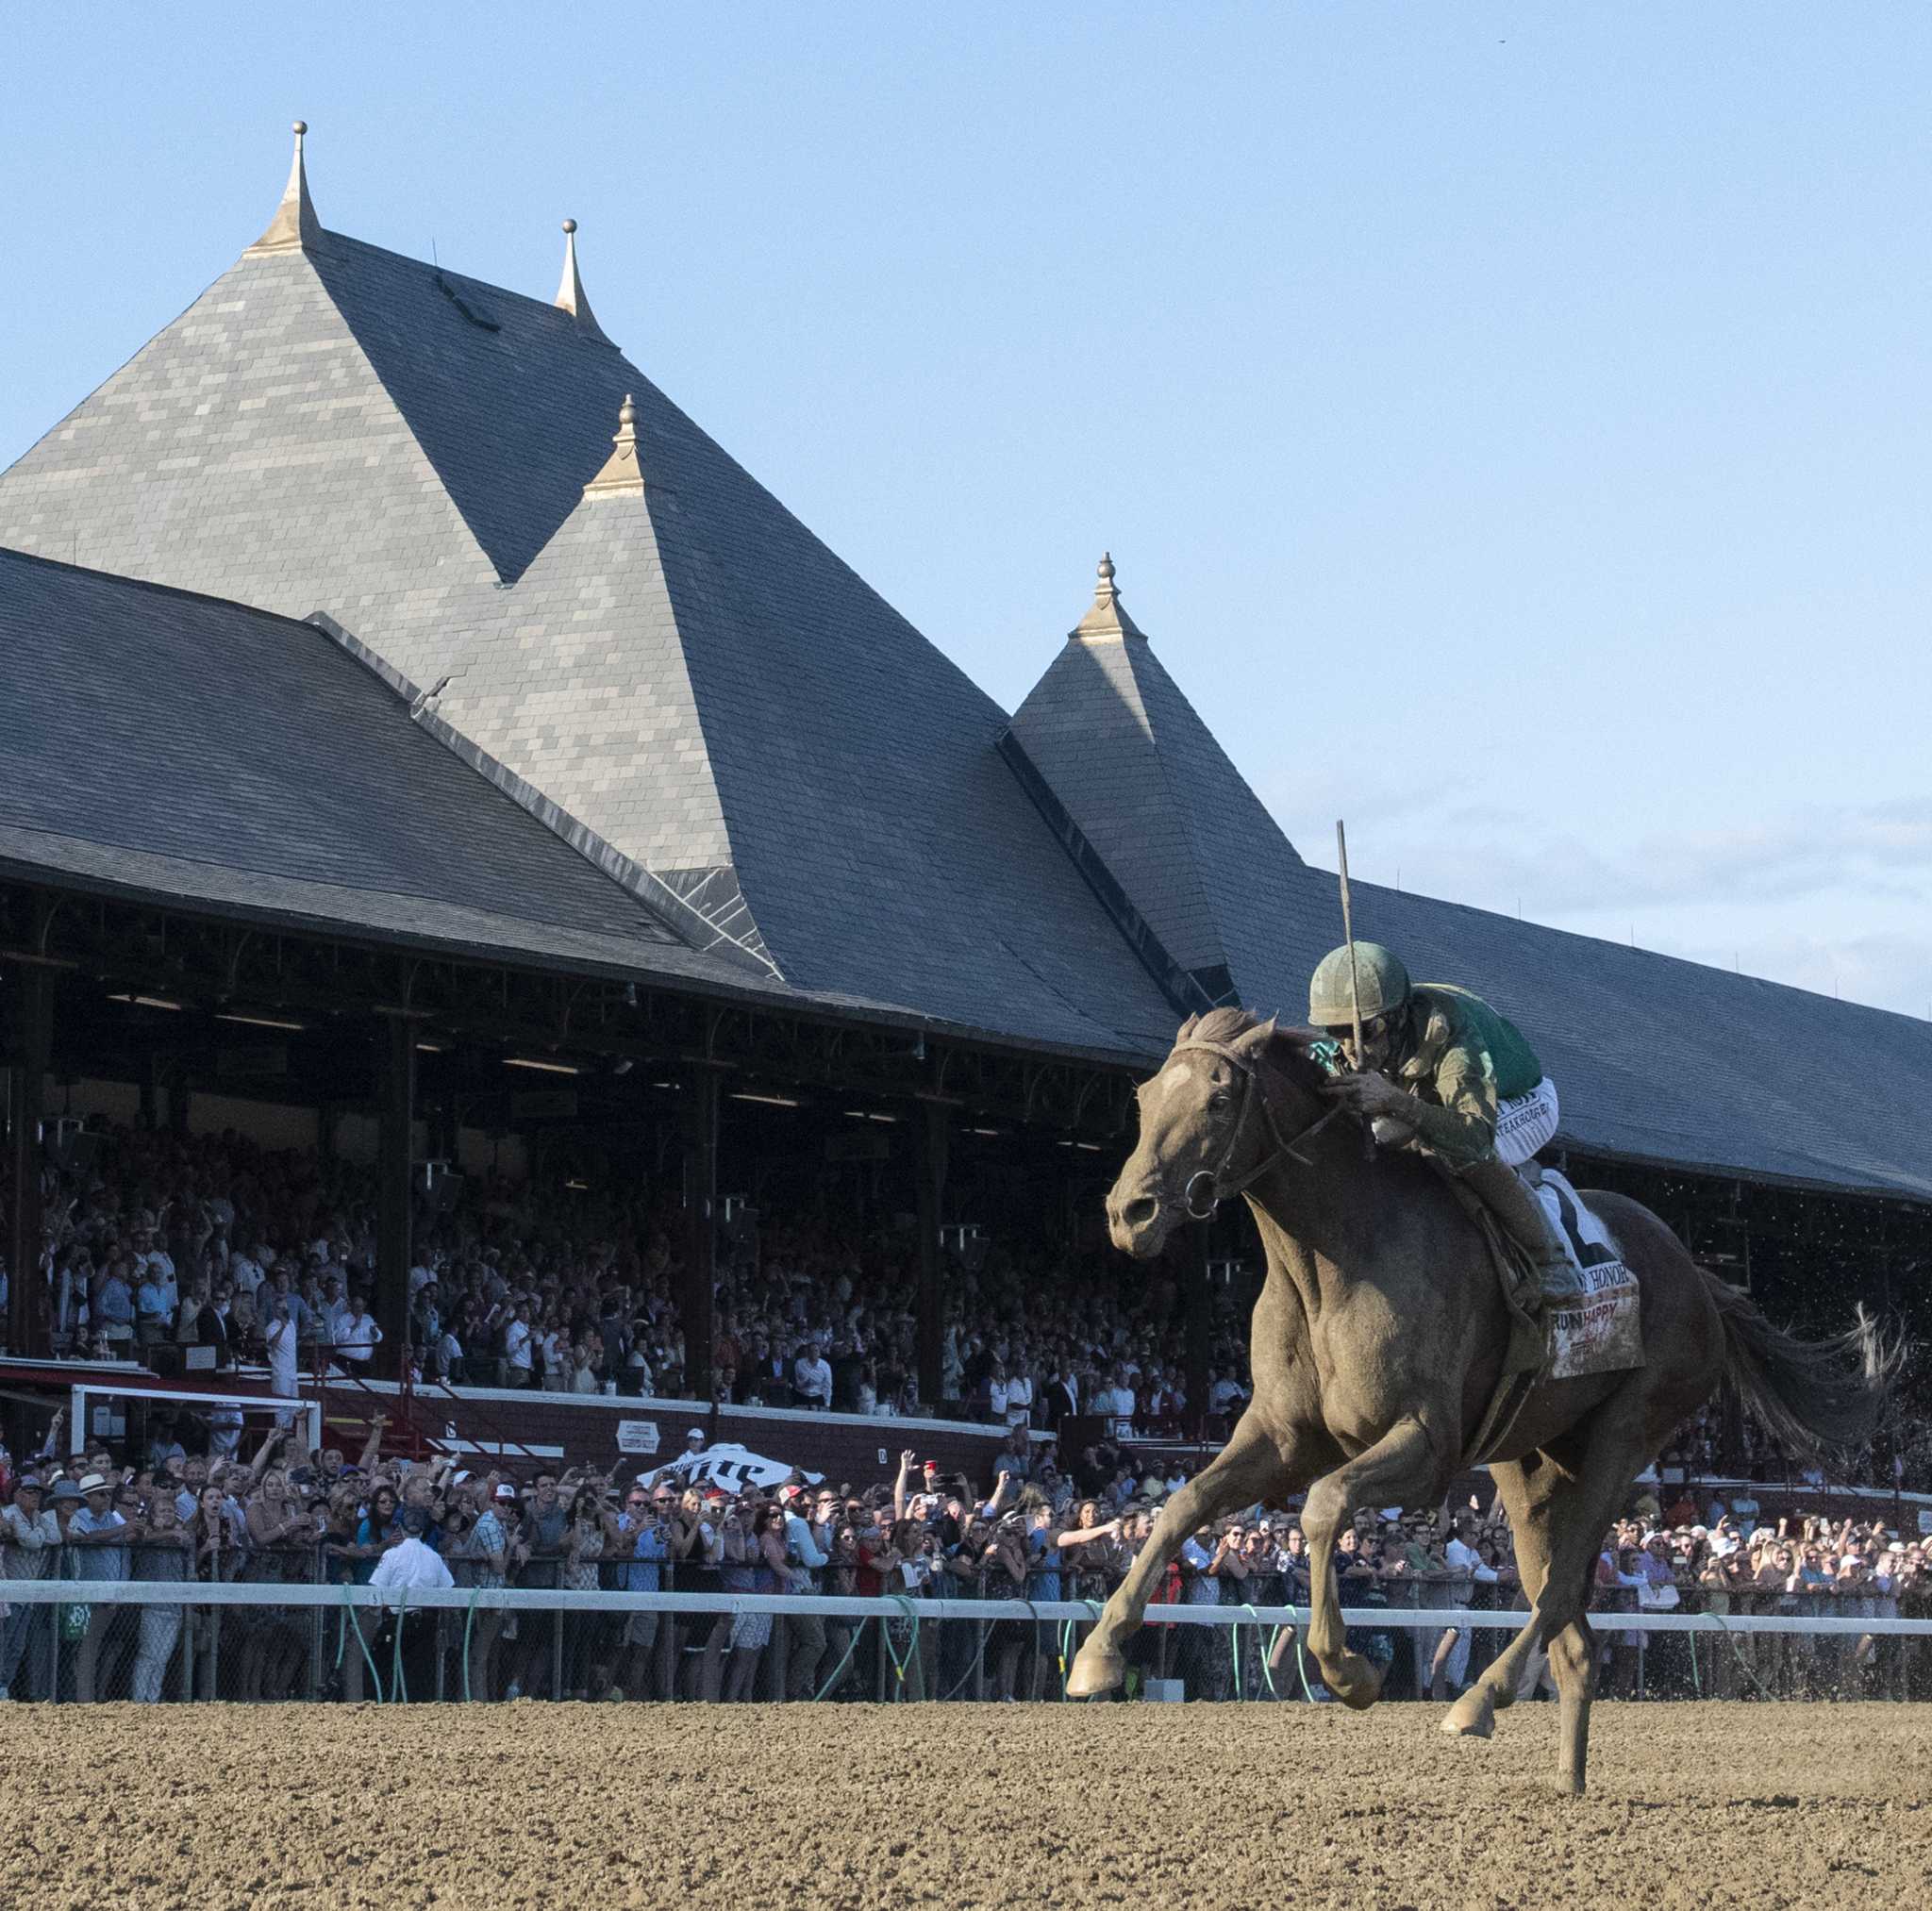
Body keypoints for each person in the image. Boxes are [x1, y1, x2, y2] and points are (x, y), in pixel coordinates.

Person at [1311, 941, 1571, 1316]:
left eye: (1367, 1032)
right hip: (1437, 1102)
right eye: (1338, 1032)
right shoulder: (1341, 1047)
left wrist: (1397, 1101)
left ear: (1398, 1017)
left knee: (1452, 1152)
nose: (1352, 1048)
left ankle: (1550, 1260)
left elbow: (1475, 1135)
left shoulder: (1450, 1033)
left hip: (1523, 1102)